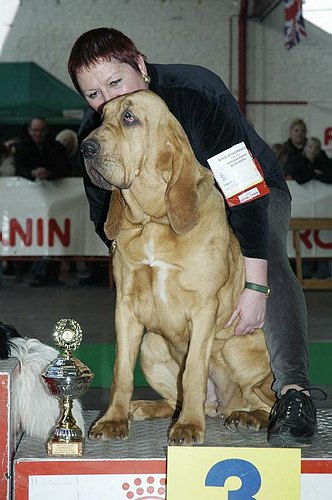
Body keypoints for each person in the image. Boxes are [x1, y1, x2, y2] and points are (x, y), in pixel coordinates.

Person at [67, 27, 322, 447]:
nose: (107, 101)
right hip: (164, 209)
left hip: (248, 189)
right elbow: (105, 217)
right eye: (93, 95)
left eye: (115, 82)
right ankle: (179, 397)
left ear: (142, 67)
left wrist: (255, 285)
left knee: (269, 259)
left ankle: (293, 393)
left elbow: (244, 194)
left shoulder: (195, 93)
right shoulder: (97, 134)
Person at [14, 117, 72, 286]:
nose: (38, 134)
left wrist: (50, 173)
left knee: (53, 235)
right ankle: (35, 273)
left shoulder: (57, 148)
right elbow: (19, 169)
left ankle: (51, 274)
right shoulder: (22, 148)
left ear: (46, 131)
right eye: (35, 130)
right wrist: (32, 173)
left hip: (55, 202)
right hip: (28, 204)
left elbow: (65, 168)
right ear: (29, 131)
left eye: (41, 130)